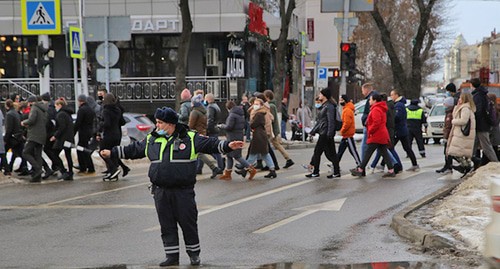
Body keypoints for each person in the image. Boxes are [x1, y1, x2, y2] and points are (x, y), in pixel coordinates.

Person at [100, 107, 243, 267]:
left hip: (183, 191)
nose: (157, 126)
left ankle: (194, 254)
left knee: (188, 224)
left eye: (160, 123)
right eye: (157, 122)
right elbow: (134, 150)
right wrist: (112, 152)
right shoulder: (152, 139)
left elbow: (210, 144)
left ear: (171, 124)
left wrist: (228, 145)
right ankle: (171, 256)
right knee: (166, 225)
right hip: (161, 191)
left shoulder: (189, 137)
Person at [351, 93, 395, 178]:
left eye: (370, 100)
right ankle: (391, 170)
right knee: (384, 152)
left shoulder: (376, 109)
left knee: (368, 152)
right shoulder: (380, 108)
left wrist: (370, 130)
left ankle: (360, 169)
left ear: (375, 100)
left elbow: (376, 122)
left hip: (377, 134)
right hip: (381, 134)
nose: (369, 101)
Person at [306, 88, 340, 178]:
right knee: (331, 153)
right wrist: (313, 131)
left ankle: (316, 172)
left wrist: (329, 133)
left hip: (325, 133)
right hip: (324, 132)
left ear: (324, 96)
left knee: (318, 152)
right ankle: (336, 172)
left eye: (320, 94)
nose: (319, 96)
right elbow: (321, 122)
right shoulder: (325, 106)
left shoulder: (329, 107)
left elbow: (331, 121)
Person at [218, 100, 256, 180]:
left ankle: (251, 169)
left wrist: (221, 126)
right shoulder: (240, 114)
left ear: (228, 108)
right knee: (229, 155)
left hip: (233, 137)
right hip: (237, 136)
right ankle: (228, 173)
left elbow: (229, 127)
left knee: (237, 156)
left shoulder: (232, 115)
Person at [189, 94, 223, 178]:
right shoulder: (203, 110)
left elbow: (191, 124)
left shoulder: (194, 112)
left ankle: (214, 168)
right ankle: (199, 168)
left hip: (196, 133)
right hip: (202, 132)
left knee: (199, 153)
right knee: (201, 151)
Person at [447, 93, 476, 177]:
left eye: (460, 98)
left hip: (462, 134)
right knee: (460, 153)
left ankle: (467, 166)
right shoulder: (463, 107)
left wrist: (453, 121)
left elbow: (463, 120)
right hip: (460, 134)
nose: (459, 99)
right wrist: (457, 107)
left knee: (455, 153)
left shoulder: (465, 108)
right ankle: (466, 167)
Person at [263, 90, 294, 169]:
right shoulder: (270, 105)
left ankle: (285, 160)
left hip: (272, 130)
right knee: (276, 145)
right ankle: (288, 159)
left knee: (274, 145)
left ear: (267, 97)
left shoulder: (271, 106)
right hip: (272, 129)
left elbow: (271, 119)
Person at [246, 98, 277, 178]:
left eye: (257, 104)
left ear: (261, 105)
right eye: (254, 104)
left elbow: (253, 124)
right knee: (265, 154)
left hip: (258, 135)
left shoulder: (259, 114)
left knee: (253, 154)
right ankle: (272, 170)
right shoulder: (262, 112)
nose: (255, 105)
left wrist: (251, 123)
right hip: (262, 135)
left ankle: (245, 169)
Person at [390, 90, 420, 171]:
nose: (391, 97)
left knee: (390, 148)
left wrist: (391, 117)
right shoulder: (400, 104)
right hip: (402, 129)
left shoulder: (398, 105)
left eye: (392, 95)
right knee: (406, 148)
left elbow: (397, 117)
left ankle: (393, 165)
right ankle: (414, 164)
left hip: (399, 130)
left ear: (396, 95)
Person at [470, 78, 498, 164]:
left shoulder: (478, 96)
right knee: (472, 146)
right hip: (482, 124)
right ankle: (467, 164)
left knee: (486, 147)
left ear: (472, 85)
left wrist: (474, 120)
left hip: (481, 125)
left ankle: (496, 164)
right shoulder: (482, 94)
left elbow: (478, 111)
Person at [21, 95, 48, 183]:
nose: (28, 104)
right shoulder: (43, 109)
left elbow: (31, 120)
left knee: (25, 152)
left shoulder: (34, 108)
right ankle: (37, 176)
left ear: (31, 102)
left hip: (34, 135)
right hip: (42, 134)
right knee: (38, 155)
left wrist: (24, 122)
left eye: (29, 102)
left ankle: (37, 169)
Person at [97, 93, 122, 180]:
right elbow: (122, 121)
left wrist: (100, 123)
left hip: (109, 135)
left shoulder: (106, 110)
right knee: (113, 153)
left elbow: (107, 124)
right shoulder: (117, 110)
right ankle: (113, 173)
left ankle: (113, 169)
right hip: (117, 134)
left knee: (102, 152)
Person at [50, 98, 75, 181]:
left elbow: (61, 127)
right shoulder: (68, 113)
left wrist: (55, 136)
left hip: (63, 139)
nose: (55, 108)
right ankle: (70, 172)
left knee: (54, 153)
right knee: (68, 155)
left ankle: (63, 170)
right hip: (69, 138)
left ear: (60, 105)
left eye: (56, 106)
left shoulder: (60, 114)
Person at [74, 94, 96, 174]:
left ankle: (86, 167)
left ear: (80, 101)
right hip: (89, 131)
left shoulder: (82, 110)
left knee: (82, 150)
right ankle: (86, 166)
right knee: (83, 149)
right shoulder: (90, 109)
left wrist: (73, 132)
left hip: (83, 132)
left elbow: (78, 123)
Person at [337, 94, 361, 167]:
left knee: (352, 151)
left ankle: (360, 164)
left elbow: (347, 123)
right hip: (346, 135)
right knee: (340, 151)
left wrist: (342, 130)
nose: (340, 102)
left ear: (345, 100)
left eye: (341, 100)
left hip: (348, 135)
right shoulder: (346, 109)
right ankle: (335, 164)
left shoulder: (347, 110)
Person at [4, 99, 24, 175]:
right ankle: (10, 167)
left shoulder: (9, 114)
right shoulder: (16, 113)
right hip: (18, 136)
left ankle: (7, 169)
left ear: (7, 106)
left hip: (12, 137)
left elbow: (9, 128)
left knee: (3, 153)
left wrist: (5, 139)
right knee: (17, 152)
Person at [435, 97, 455, 174]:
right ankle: (448, 166)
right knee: (447, 152)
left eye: (445, 103)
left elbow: (448, 127)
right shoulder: (449, 112)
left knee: (448, 152)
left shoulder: (449, 114)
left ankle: (448, 166)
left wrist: (445, 137)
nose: (444, 105)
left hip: (449, 136)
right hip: (450, 135)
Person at [205, 93, 225, 170]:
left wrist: (208, 130)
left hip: (212, 130)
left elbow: (210, 119)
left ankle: (220, 166)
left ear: (208, 99)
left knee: (213, 150)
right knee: (213, 149)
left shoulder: (210, 107)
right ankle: (220, 163)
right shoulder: (216, 106)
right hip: (215, 129)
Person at [360, 83, 378, 160]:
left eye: (363, 90)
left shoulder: (371, 99)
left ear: (366, 90)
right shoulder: (374, 97)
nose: (362, 93)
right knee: (381, 148)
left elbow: (369, 113)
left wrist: (366, 122)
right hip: (371, 125)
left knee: (364, 146)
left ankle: (362, 165)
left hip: (369, 126)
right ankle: (395, 164)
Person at [487, 93, 500, 161]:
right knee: (494, 149)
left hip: (493, 132)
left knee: (491, 149)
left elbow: (493, 121)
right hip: (496, 132)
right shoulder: (497, 108)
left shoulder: (493, 109)